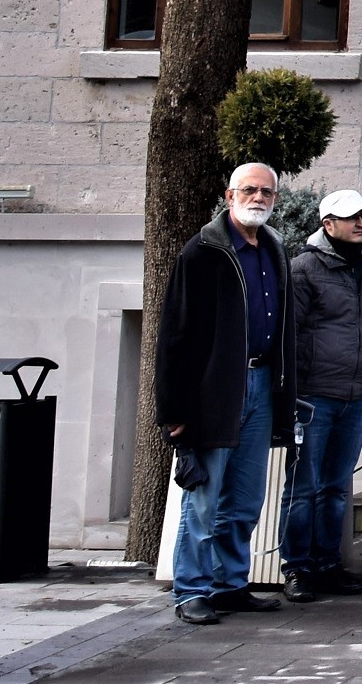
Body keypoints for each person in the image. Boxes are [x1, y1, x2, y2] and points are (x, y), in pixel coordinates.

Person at [156, 162, 296, 625]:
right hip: (215, 393)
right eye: (249, 190)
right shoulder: (201, 254)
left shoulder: (272, 249)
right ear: (228, 194)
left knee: (245, 498)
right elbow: (174, 337)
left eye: (266, 192)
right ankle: (191, 591)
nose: (258, 198)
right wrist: (173, 411)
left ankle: (230, 583)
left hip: (261, 386)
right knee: (203, 500)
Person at [282, 190, 362, 602]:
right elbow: (290, 332)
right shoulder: (304, 269)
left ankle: (327, 564)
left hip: (358, 394)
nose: (360, 223)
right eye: (350, 218)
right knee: (303, 488)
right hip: (315, 396)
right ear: (328, 225)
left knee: (337, 486)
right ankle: (297, 568)